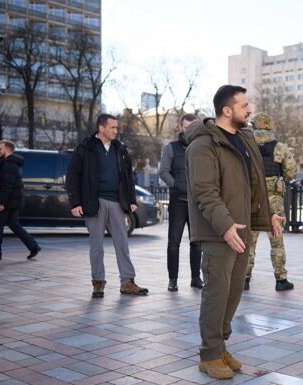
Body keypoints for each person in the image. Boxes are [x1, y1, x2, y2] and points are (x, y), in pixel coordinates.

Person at [185, 85, 283, 379]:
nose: (249, 109)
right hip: (218, 231)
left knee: (234, 290)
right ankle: (209, 354)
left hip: (242, 227)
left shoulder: (244, 139)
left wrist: (267, 218)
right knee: (216, 292)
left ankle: (220, 344)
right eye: (244, 105)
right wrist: (225, 224)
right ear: (227, 111)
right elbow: (204, 191)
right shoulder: (202, 145)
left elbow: (255, 184)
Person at [65, 114, 148, 298]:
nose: (116, 131)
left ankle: (127, 282)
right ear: (101, 128)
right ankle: (98, 283)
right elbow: (72, 176)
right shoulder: (85, 148)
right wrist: (75, 202)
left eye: (117, 128)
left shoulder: (120, 149)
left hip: (117, 202)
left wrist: (131, 200)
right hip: (94, 202)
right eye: (113, 128)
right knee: (96, 246)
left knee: (122, 243)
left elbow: (128, 177)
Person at [244, 112, 297, 291]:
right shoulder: (280, 147)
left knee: (249, 241)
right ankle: (281, 279)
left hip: (252, 199)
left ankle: (244, 279)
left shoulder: (246, 144)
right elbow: (291, 173)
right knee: (276, 240)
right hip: (274, 200)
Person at [159, 113, 203, 292]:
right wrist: (176, 185)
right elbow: (163, 172)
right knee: (173, 243)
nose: (189, 130)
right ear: (180, 127)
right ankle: (173, 280)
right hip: (177, 202)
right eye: (186, 127)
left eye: (193, 127)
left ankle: (195, 278)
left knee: (197, 243)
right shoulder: (171, 148)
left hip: (196, 204)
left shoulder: (201, 148)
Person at [0, 140, 41, 262]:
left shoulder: (9, 165)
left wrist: (1, 202)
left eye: (0, 149)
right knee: (14, 225)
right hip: (12, 201)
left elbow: (8, 186)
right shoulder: (9, 163)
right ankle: (33, 246)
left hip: (7, 202)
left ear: (7, 150)